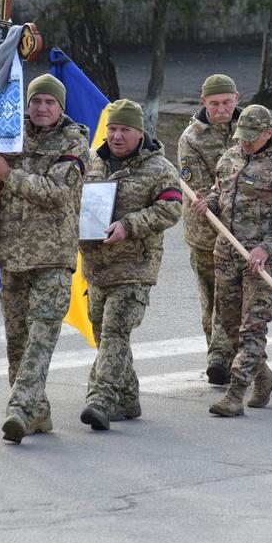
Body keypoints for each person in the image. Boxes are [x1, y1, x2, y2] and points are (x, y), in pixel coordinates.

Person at [0, 74, 90, 444]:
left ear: (61, 107)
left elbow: (57, 193)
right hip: (12, 256)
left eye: (50, 102)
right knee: (17, 341)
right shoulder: (8, 136)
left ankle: (18, 407)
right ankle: (38, 412)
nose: (42, 108)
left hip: (52, 259)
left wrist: (10, 173)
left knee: (40, 337)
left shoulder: (74, 143)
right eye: (36, 101)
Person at [194, 105, 272, 417]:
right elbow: (221, 193)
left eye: (251, 138)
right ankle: (264, 376)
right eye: (241, 136)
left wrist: (267, 247)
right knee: (230, 328)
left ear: (268, 133)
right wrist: (210, 205)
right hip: (226, 254)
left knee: (252, 329)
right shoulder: (230, 157)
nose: (244, 143)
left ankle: (235, 393)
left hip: (259, 261)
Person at [79, 99, 183, 431]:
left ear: (140, 132)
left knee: (115, 332)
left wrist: (129, 225)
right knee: (105, 334)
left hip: (135, 268)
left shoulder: (160, 169)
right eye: (112, 129)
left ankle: (101, 400)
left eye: (125, 130)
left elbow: (171, 210)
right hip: (97, 268)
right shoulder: (94, 162)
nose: (117, 136)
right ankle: (128, 398)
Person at [177, 74, 241, 386]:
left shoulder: (252, 127)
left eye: (227, 102)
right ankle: (218, 360)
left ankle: (238, 355)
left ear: (236, 99)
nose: (221, 108)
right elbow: (198, 190)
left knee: (241, 297)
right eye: (214, 103)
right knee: (213, 298)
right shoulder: (192, 138)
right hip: (206, 232)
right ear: (204, 103)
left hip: (245, 230)